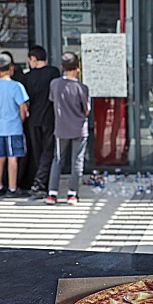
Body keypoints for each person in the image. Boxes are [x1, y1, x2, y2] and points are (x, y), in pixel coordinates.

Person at [44, 52, 90, 206]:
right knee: (77, 161)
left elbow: (52, 100)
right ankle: (72, 194)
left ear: (62, 67)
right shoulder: (82, 88)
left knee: (57, 159)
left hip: (61, 127)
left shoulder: (54, 84)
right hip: (79, 128)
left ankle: (52, 193)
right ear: (78, 67)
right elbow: (86, 110)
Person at [0, 54, 29, 197]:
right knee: (13, 157)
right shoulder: (16, 86)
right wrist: (21, 120)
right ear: (11, 68)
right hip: (14, 126)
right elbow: (23, 108)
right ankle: (12, 188)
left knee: (0, 157)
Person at [24, 45, 61, 197]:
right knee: (48, 151)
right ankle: (41, 182)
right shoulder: (53, 72)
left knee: (37, 151)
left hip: (33, 119)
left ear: (33, 59)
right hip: (49, 117)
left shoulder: (27, 78)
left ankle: (39, 182)